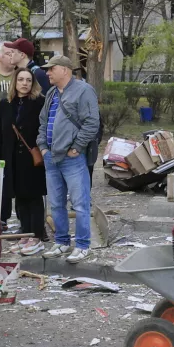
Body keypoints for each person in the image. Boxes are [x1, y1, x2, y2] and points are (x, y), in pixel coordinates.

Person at [37, 55, 100, 264]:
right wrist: (43, 147)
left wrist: (76, 148)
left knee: (80, 204)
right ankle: (62, 242)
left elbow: (92, 123)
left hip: (72, 158)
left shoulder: (83, 90)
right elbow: (43, 122)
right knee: (55, 204)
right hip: (51, 158)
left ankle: (83, 245)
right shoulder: (52, 93)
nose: (47, 73)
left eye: (51, 69)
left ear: (65, 70)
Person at [0, 68, 47, 256]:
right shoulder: (6, 103)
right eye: (21, 79)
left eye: (28, 80)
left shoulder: (40, 102)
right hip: (12, 157)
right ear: (15, 82)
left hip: (32, 157)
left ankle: (37, 235)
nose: (24, 83)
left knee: (34, 196)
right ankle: (25, 232)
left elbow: (45, 128)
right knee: (19, 197)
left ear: (33, 83)